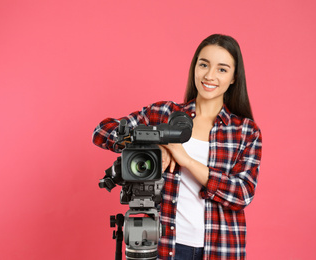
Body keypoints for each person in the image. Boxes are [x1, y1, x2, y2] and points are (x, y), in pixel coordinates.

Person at [92, 34, 262, 260]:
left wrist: (187, 161)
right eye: (204, 65)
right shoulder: (163, 113)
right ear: (195, 68)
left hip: (220, 249)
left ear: (233, 78)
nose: (209, 75)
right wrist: (154, 143)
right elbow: (103, 131)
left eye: (222, 69)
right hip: (164, 246)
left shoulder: (245, 131)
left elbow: (242, 194)